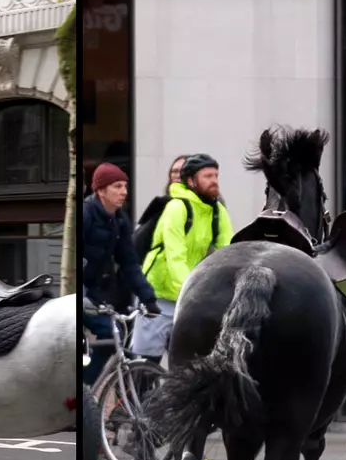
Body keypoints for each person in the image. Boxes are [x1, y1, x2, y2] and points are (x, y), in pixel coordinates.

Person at [133, 153, 234, 360]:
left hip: (189, 296)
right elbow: (174, 256)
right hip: (159, 294)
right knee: (145, 362)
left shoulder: (217, 211)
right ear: (191, 181)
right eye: (207, 176)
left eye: (216, 175)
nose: (214, 180)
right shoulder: (176, 207)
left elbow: (228, 253)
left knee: (187, 362)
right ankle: (130, 391)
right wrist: (191, 292)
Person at [81, 162, 159, 386]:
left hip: (94, 292)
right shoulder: (86, 214)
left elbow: (129, 263)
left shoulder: (120, 220)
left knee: (112, 333)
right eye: (117, 186)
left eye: (125, 186)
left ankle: (87, 388)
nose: (124, 191)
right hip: (78, 291)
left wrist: (149, 298)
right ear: (101, 190)